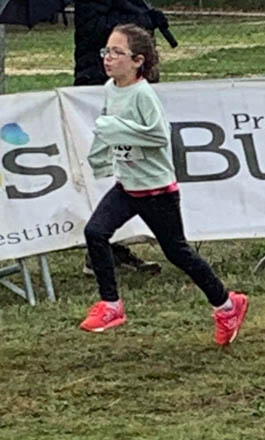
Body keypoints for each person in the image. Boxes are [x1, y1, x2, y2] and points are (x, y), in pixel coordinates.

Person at [79, 24, 249, 345]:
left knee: (178, 253)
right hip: (127, 187)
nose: (108, 58)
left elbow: (158, 135)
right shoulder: (111, 88)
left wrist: (116, 128)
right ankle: (111, 305)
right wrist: (101, 156)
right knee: (95, 232)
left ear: (137, 61)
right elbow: (106, 129)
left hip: (157, 192)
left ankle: (228, 305)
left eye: (117, 52)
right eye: (106, 51)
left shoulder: (143, 94)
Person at [75, 0, 171, 275]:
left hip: (130, 85)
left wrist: (149, 18)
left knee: (135, 173)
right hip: (97, 85)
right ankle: (102, 252)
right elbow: (95, 28)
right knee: (107, 178)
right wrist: (142, 20)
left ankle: (163, 243)